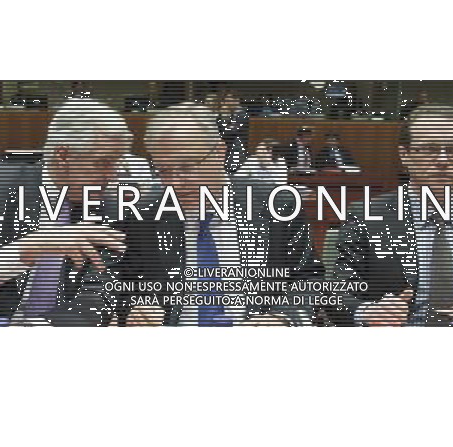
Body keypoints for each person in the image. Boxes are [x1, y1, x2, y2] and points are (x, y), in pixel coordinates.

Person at [0, 101, 154, 326]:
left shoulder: (113, 206)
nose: (113, 176)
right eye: (104, 163)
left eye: (118, 164)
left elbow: (97, 301)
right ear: (62, 156)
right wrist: (26, 249)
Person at [112, 103, 323, 327]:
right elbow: (115, 284)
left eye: (187, 167)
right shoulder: (142, 214)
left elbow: (309, 279)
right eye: (163, 170)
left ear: (220, 152)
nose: (175, 183)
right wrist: (133, 308)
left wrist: (284, 318)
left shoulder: (277, 204)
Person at [327, 104, 453, 327]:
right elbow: (336, 294)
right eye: (430, 149)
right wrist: (368, 312)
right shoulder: (368, 216)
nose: (443, 160)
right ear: (405, 155)